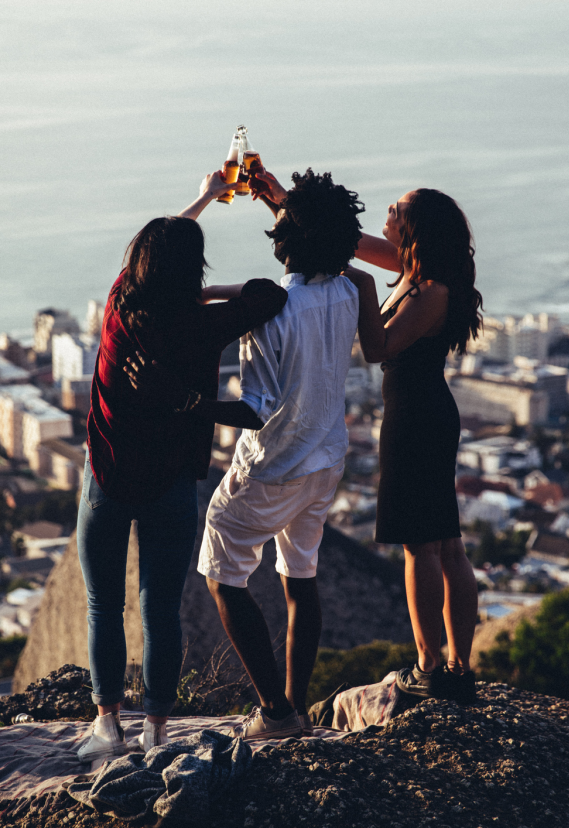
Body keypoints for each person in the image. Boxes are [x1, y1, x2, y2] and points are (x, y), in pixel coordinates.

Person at [75, 171, 288, 764]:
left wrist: (205, 195)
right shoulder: (203, 325)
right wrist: (211, 292)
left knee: (102, 606)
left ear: (136, 263)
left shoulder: (120, 304)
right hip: (170, 483)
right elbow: (270, 295)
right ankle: (157, 731)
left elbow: (162, 249)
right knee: (159, 609)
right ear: (188, 275)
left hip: (108, 477)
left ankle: (107, 724)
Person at [197, 169, 364, 740]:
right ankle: (292, 706)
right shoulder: (346, 291)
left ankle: (273, 712)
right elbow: (311, 246)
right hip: (326, 460)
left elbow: (254, 409)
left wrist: (191, 407)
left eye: (283, 224)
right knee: (301, 576)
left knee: (223, 575)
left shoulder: (269, 316)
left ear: (288, 240)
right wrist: (279, 204)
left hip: (271, 467)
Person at [342, 188, 483, 703]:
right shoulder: (412, 270)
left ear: (415, 227)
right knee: (444, 543)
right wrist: (277, 197)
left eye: (397, 210)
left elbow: (376, 348)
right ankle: (458, 668)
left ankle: (431, 666)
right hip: (424, 414)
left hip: (417, 418)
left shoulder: (431, 292)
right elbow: (348, 240)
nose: (388, 213)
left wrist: (358, 286)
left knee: (424, 546)